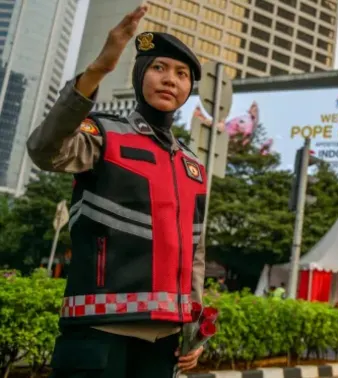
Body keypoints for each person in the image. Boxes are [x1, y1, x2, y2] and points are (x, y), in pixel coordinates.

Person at [26, 7, 207, 377]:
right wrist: (98, 70)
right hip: (97, 334)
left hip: (164, 342)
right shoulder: (104, 134)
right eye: (158, 68)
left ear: (189, 89)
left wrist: (196, 331)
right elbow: (44, 151)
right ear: (140, 75)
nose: (170, 79)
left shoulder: (193, 166)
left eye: (182, 74)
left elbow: (195, 251)